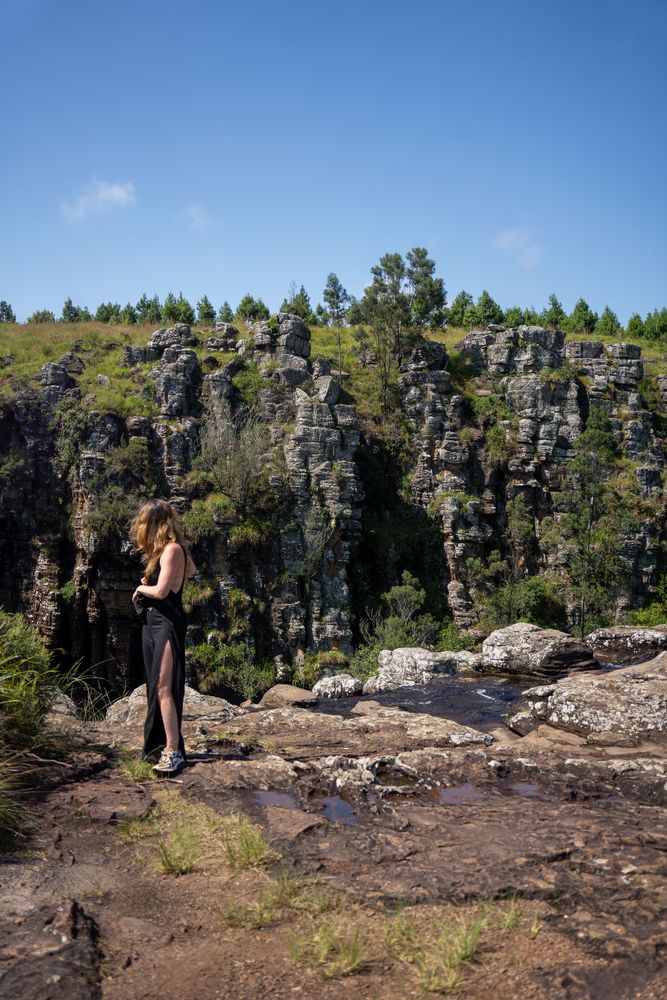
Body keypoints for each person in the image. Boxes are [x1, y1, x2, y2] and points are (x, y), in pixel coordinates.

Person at [130, 499, 196, 774]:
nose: (139, 527)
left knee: (164, 688)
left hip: (166, 625)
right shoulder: (167, 551)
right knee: (154, 687)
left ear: (154, 524)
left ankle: (173, 752)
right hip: (152, 624)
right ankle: (157, 746)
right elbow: (190, 571)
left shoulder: (172, 550)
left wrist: (141, 589)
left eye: (143, 523)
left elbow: (161, 593)